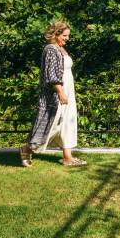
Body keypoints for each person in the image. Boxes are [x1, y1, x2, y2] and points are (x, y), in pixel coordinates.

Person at [21, 20, 86, 167]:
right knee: (51, 125)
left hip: (68, 91)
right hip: (56, 95)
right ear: (56, 34)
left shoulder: (61, 49)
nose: (67, 38)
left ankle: (67, 157)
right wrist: (61, 92)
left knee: (67, 123)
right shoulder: (51, 49)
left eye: (67, 35)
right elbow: (51, 75)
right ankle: (27, 149)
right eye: (64, 35)